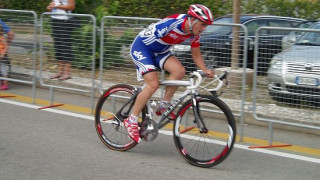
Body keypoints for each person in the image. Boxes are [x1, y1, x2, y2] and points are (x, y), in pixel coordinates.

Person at [124, 4, 215, 143]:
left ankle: (164, 104)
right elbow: (149, 36)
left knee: (179, 71)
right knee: (152, 84)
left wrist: (205, 70)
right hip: (143, 48)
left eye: (205, 26)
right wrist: (150, 70)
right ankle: (132, 120)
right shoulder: (173, 23)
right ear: (192, 20)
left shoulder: (193, 33)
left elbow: (196, 54)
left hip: (160, 52)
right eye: (202, 25)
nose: (203, 29)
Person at [47, 0, 76, 80]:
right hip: (54, 20)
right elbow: (51, 7)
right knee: (58, 46)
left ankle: (67, 73)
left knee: (65, 46)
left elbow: (72, 6)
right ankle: (60, 72)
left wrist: (56, 6)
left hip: (64, 22)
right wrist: (49, 7)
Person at [0, 25, 9, 90]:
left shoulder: (2, 38)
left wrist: (2, 54)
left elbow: (6, 46)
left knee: (4, 70)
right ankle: (2, 83)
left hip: (2, 57)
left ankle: (5, 85)